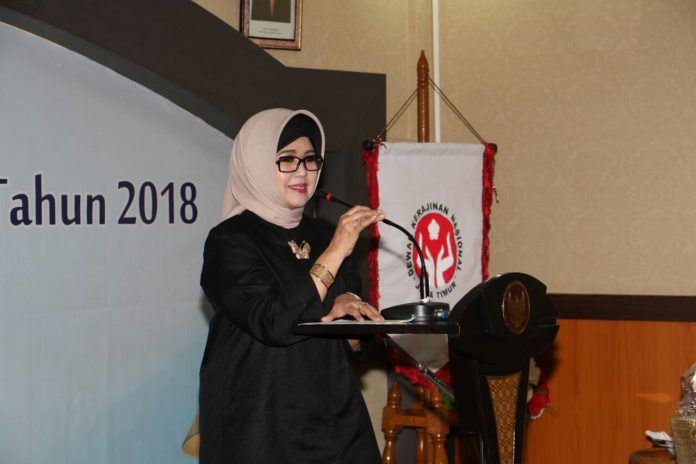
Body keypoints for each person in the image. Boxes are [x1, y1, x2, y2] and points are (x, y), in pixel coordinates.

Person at [198, 108, 385, 463]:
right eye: (287, 159)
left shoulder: (324, 233)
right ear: (256, 164)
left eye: (310, 159)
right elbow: (273, 320)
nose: (302, 172)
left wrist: (351, 317)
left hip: (333, 419)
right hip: (262, 422)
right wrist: (335, 252)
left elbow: (353, 339)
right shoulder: (230, 241)